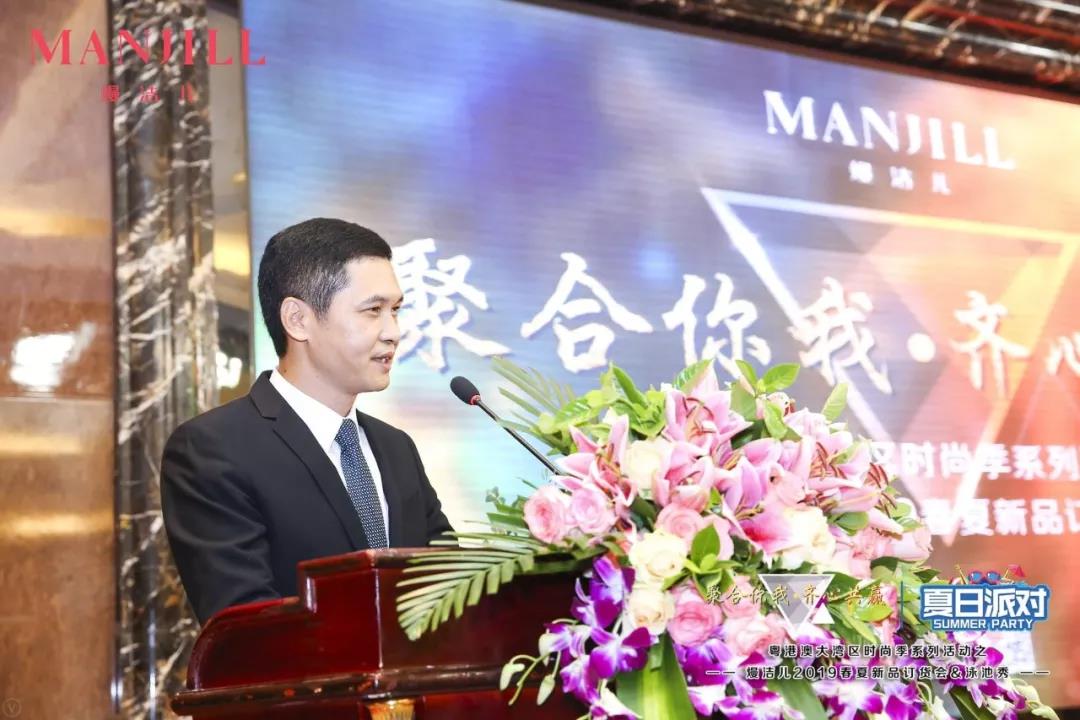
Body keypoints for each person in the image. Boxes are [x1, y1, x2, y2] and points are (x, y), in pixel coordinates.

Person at [161, 218, 452, 624]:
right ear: (297, 319)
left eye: (395, 310)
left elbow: (452, 585)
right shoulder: (213, 449)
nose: (393, 332)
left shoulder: (396, 447)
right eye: (373, 311)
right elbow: (245, 625)